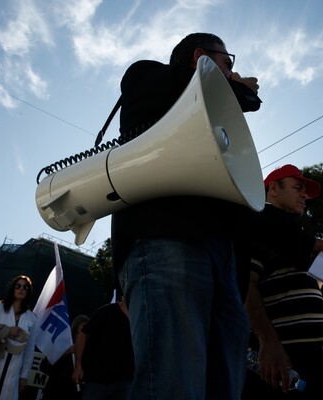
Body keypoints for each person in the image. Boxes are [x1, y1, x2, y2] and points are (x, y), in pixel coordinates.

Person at [112, 32, 261, 399]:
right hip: (166, 239)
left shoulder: (214, 109)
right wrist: (234, 87)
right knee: (172, 383)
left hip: (222, 259)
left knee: (221, 383)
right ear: (201, 58)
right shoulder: (148, 76)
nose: (233, 71)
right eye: (228, 63)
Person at [242, 164, 323, 399]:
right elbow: (246, 284)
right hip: (281, 357)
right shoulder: (260, 227)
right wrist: (267, 341)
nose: (304, 195)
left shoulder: (295, 235)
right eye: (297, 188)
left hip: (312, 352)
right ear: (274, 188)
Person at [72, 297, 133, 399]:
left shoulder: (141, 319)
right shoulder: (106, 312)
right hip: (97, 381)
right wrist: (78, 366)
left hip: (125, 382)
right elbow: (83, 334)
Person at [41, 314, 90, 400]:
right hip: (54, 391)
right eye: (84, 326)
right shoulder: (62, 344)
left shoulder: (90, 350)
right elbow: (45, 366)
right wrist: (66, 352)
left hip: (75, 394)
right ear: (76, 329)